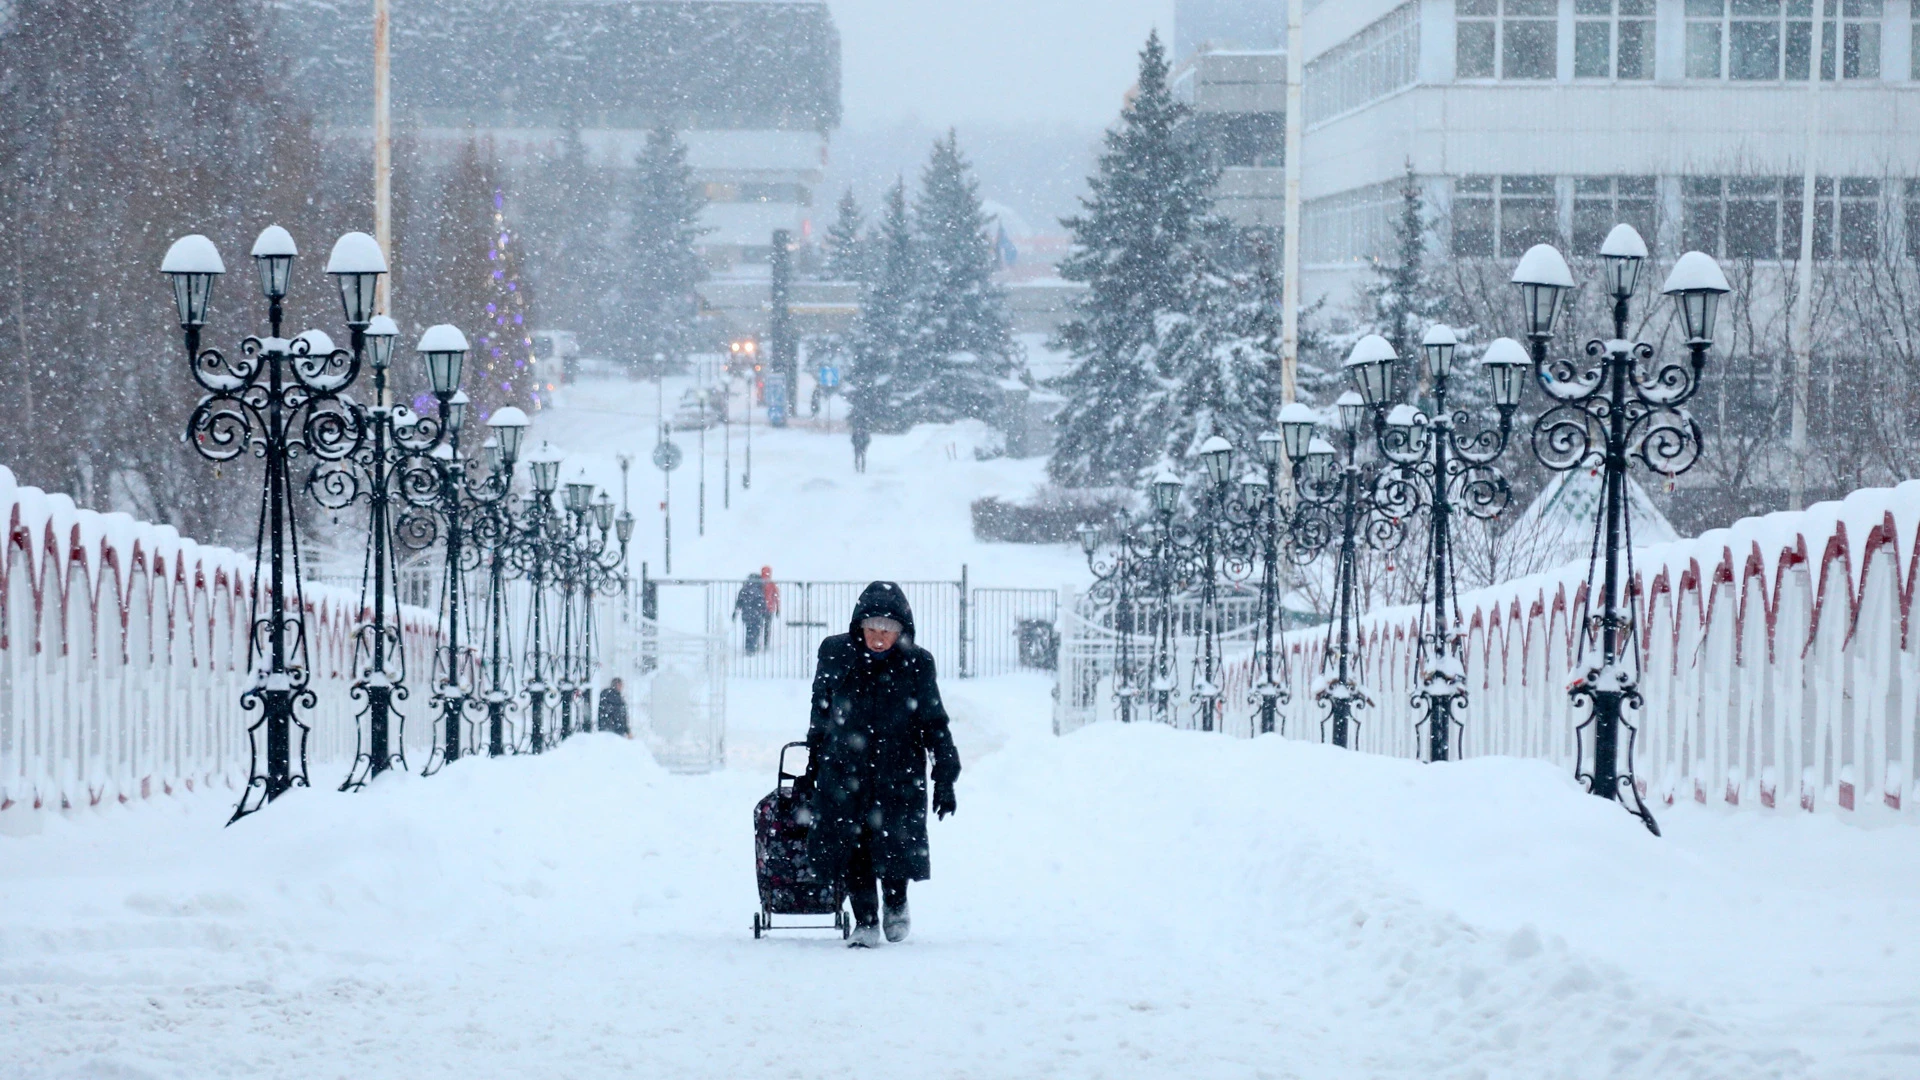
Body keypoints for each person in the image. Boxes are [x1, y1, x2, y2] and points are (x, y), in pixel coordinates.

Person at [800, 581, 960, 948]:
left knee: (894, 841)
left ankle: (896, 903)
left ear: (902, 631)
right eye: (872, 628)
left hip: (898, 769)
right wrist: (814, 761)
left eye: (888, 630)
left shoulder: (917, 663)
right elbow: (820, 709)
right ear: (859, 626)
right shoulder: (836, 654)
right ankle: (866, 921)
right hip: (844, 769)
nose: (878, 637)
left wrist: (945, 777)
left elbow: (934, 721)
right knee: (852, 843)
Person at [733, 573, 767, 655]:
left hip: (746, 614)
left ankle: (749, 647)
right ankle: (752, 648)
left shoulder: (744, 589)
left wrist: (735, 612)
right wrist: (763, 611)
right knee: (755, 631)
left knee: (749, 630)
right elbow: (762, 602)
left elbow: (739, 602)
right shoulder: (758, 590)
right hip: (756, 614)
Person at [760, 567, 780, 651]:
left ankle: (756, 643)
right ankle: (766, 644)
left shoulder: (758, 582)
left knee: (758, 627)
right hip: (769, 608)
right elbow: (776, 597)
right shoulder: (772, 584)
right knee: (767, 627)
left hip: (759, 608)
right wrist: (778, 608)